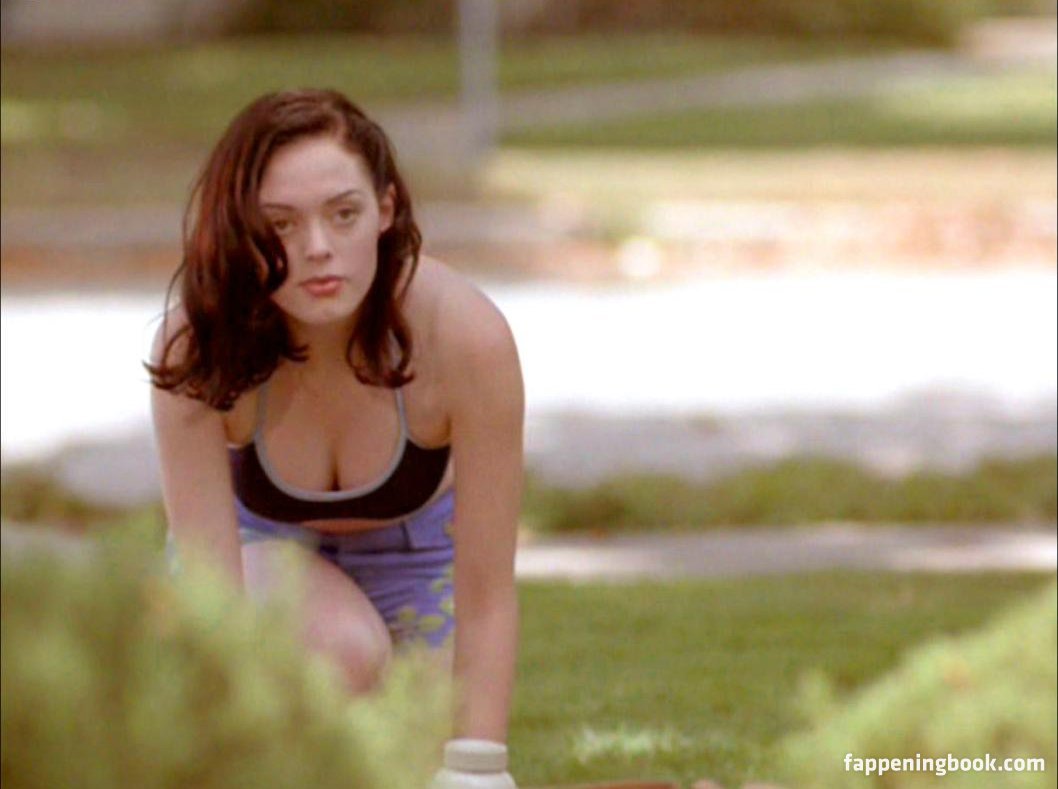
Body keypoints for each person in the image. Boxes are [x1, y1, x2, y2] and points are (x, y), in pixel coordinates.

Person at [147, 89, 523, 747]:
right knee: (340, 653)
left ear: (385, 209)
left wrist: (478, 771)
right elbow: (214, 601)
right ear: (240, 227)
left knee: (414, 753)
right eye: (281, 224)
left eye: (343, 214)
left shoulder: (465, 336)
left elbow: (488, 596)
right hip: (255, 551)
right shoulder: (199, 346)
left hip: (417, 554)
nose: (317, 248)